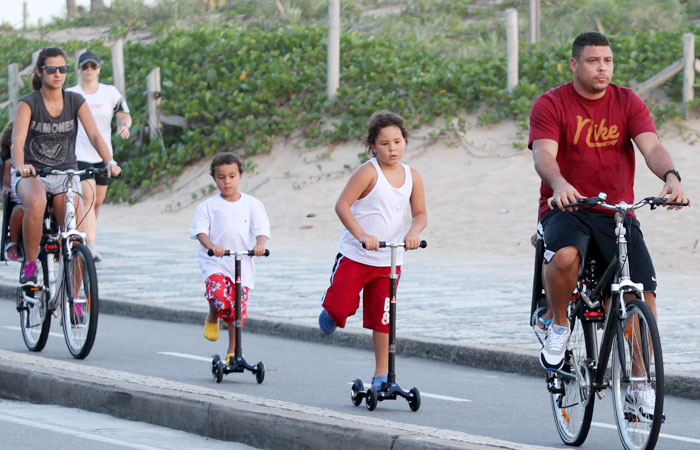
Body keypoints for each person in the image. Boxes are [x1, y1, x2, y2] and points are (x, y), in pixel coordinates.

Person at [529, 32, 689, 418]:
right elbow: (543, 155)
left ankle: (638, 386)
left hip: (617, 211)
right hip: (567, 206)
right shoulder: (551, 103)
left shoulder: (627, 101)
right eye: (592, 60)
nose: (602, 67)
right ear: (574, 64)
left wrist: (670, 177)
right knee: (565, 257)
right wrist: (561, 184)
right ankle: (559, 324)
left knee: (642, 294)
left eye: (607, 61)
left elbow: (650, 146)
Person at [318, 111, 427, 392]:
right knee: (341, 308)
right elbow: (342, 205)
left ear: (405, 142)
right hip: (357, 255)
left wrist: (414, 233)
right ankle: (332, 309)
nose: (392, 149)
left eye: (397, 141)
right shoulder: (368, 172)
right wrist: (362, 235)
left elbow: (420, 213)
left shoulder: (412, 175)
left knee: (383, 318)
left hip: (389, 260)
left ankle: (381, 375)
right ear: (373, 146)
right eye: (384, 143)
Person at [11, 46, 121, 287]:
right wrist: (21, 167)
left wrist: (109, 161)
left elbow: (95, 135)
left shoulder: (75, 100)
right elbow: (17, 142)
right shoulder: (28, 103)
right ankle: (30, 266)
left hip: (64, 174)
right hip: (33, 174)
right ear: (40, 72)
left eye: (63, 69)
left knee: (76, 234)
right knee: (37, 202)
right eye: (51, 69)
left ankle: (77, 298)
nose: (58, 74)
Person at [189, 152, 270, 364]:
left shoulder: (252, 204)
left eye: (232, 176)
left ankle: (233, 350)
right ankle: (213, 314)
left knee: (237, 309)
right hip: (216, 261)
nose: (227, 182)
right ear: (214, 178)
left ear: (240, 176)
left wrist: (260, 245)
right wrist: (212, 246)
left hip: (242, 262)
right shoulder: (208, 206)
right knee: (218, 294)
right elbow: (200, 232)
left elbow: (261, 229)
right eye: (221, 177)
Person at [67, 50, 132, 262]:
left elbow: (124, 114)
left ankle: (85, 234)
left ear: (99, 69)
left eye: (92, 66)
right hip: (79, 152)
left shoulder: (109, 92)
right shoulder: (71, 93)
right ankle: (90, 245)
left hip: (104, 155)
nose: (88, 70)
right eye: (84, 66)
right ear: (79, 69)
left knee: (97, 201)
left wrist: (124, 126)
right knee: (88, 196)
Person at [1, 121, 24, 261]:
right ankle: (13, 242)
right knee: (19, 211)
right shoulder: (9, 162)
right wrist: (6, 188)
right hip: (19, 201)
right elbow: (6, 182)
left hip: (38, 200)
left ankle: (59, 242)